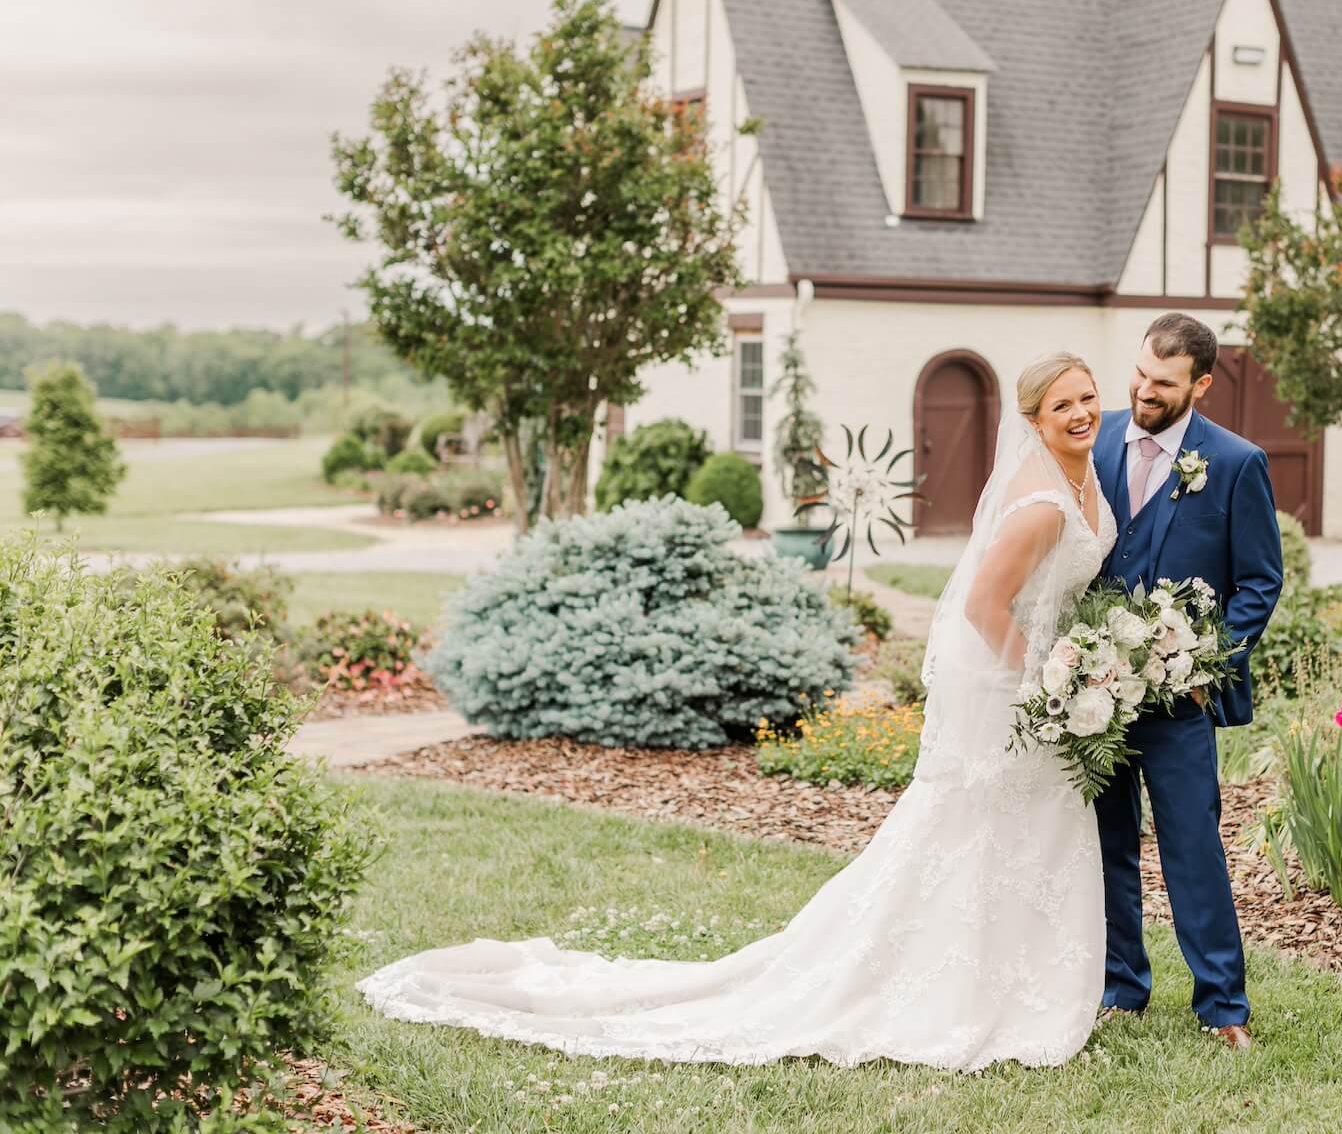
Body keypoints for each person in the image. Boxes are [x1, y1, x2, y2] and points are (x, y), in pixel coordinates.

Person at [356, 352, 1116, 1071]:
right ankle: (960, 984)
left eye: (1087, 396)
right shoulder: (1041, 505)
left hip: (1044, 676)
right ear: (1035, 420)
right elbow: (984, 604)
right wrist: (1047, 684)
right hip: (1010, 682)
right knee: (975, 828)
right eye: (1062, 404)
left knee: (1018, 827)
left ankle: (1016, 974)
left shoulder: (1083, 479)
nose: (1081, 411)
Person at [1090, 312, 1285, 1049]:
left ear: (1200, 385)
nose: (1143, 390)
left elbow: (1260, 582)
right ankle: (1121, 987)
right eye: (1140, 373)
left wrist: (1207, 666)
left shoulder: (1235, 463)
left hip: (1180, 697)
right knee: (1108, 842)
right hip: (1096, 692)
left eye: (1162, 383)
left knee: (1191, 846)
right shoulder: (1099, 436)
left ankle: (1223, 1005)